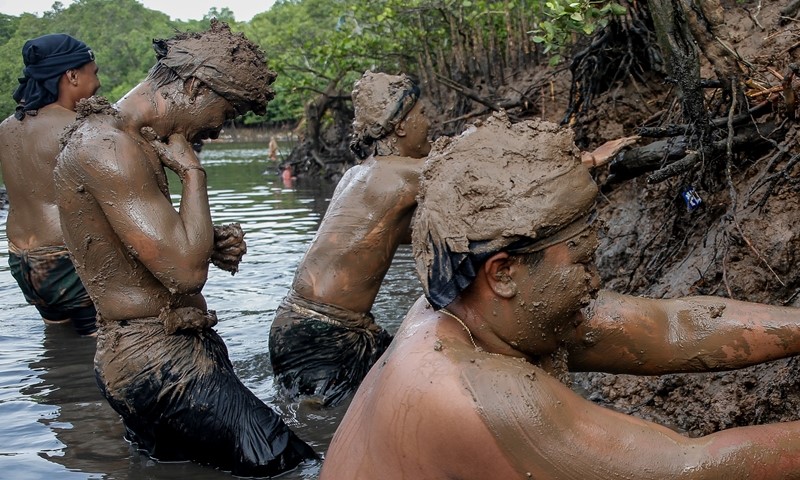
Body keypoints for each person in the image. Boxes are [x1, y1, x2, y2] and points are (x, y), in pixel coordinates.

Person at [321, 112, 800, 479]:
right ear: (504, 272)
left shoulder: (468, 306)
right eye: (583, 261)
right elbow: (687, 467)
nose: (596, 280)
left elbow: (671, 327)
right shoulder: (478, 396)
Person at [54, 21, 317, 477]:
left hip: (153, 357)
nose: (218, 130)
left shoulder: (125, 140)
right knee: (298, 468)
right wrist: (194, 177)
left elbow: (142, 250)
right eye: (226, 112)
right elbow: (184, 274)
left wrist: (206, 243)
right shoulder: (110, 146)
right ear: (195, 86)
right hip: (156, 363)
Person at [269, 71, 431, 407]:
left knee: (396, 387)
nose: (430, 124)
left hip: (297, 323)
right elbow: (466, 164)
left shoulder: (359, 174)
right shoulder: (400, 172)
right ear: (401, 125)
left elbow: (385, 239)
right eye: (423, 115)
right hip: (324, 333)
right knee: (347, 421)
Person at [0, 33, 100, 336]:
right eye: (93, 73)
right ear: (71, 75)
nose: (97, 83)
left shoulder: (5, 129)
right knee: (99, 349)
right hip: (68, 261)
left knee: (58, 345)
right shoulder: (79, 127)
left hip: (22, 263)